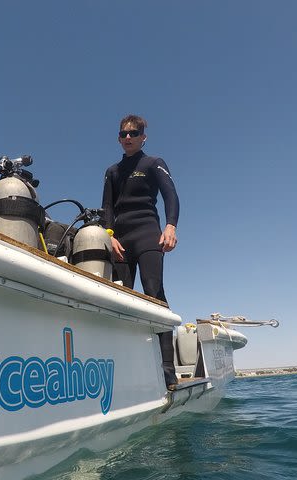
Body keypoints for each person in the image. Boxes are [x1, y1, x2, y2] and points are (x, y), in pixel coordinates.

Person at [101, 114, 180, 388]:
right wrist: (108, 236)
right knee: (121, 298)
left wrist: (170, 226)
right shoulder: (112, 171)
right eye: (123, 134)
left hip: (148, 233)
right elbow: (107, 208)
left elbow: (171, 195)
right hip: (120, 240)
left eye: (134, 133)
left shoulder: (153, 163)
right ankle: (125, 367)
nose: (128, 138)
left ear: (143, 136)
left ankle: (168, 370)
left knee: (153, 292)